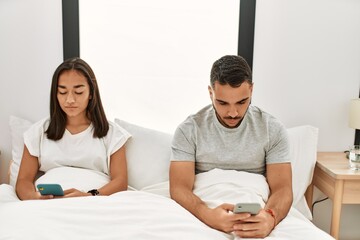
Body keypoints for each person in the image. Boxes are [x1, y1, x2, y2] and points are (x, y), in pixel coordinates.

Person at [169, 55, 292, 238]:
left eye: (242, 102)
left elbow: (283, 189)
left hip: (255, 205)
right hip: (205, 206)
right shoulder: (189, 130)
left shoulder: (271, 129)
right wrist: (208, 214)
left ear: (251, 89)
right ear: (211, 93)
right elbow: (179, 188)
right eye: (222, 103)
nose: (233, 113)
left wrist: (270, 218)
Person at [16, 57, 131, 200]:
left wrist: (89, 195)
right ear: (55, 94)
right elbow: (23, 181)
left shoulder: (113, 134)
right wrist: (33, 197)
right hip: (47, 204)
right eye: (63, 92)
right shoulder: (38, 132)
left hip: (94, 201)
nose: (70, 100)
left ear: (90, 93)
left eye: (78, 92)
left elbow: (120, 181)